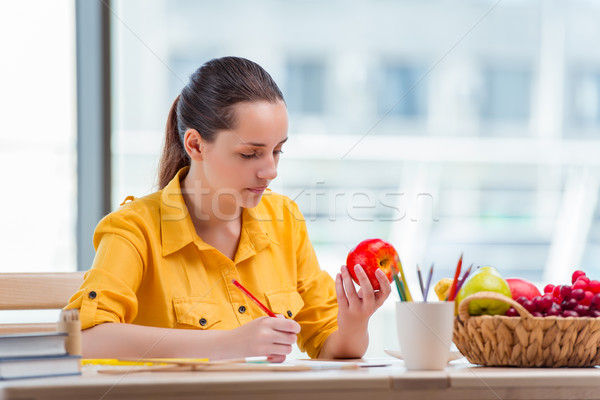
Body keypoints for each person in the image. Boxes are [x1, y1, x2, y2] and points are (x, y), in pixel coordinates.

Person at [65, 56, 391, 361]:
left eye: (277, 151)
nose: (270, 170)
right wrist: (230, 343)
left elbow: (328, 347)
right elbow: (85, 337)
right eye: (250, 154)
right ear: (195, 145)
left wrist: (354, 324)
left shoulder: (284, 220)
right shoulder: (135, 230)